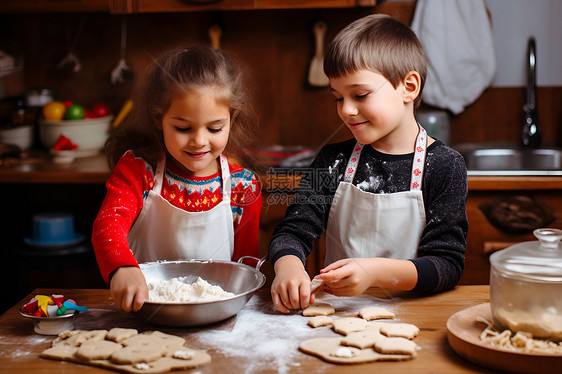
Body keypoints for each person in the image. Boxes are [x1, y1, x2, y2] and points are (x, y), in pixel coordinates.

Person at [268, 14, 468, 313]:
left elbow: (446, 265)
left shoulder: (444, 166)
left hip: (413, 317)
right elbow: (293, 230)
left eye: (360, 95)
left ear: (408, 87)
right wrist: (288, 267)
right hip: (339, 313)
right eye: (338, 97)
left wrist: (374, 272)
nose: (347, 110)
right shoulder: (332, 160)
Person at [92, 46, 262, 312]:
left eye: (215, 128)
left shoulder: (243, 186)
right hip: (142, 313)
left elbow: (246, 265)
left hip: (216, 317)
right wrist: (121, 267)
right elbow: (108, 225)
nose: (199, 141)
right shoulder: (138, 171)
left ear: (233, 118)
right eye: (183, 128)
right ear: (159, 118)